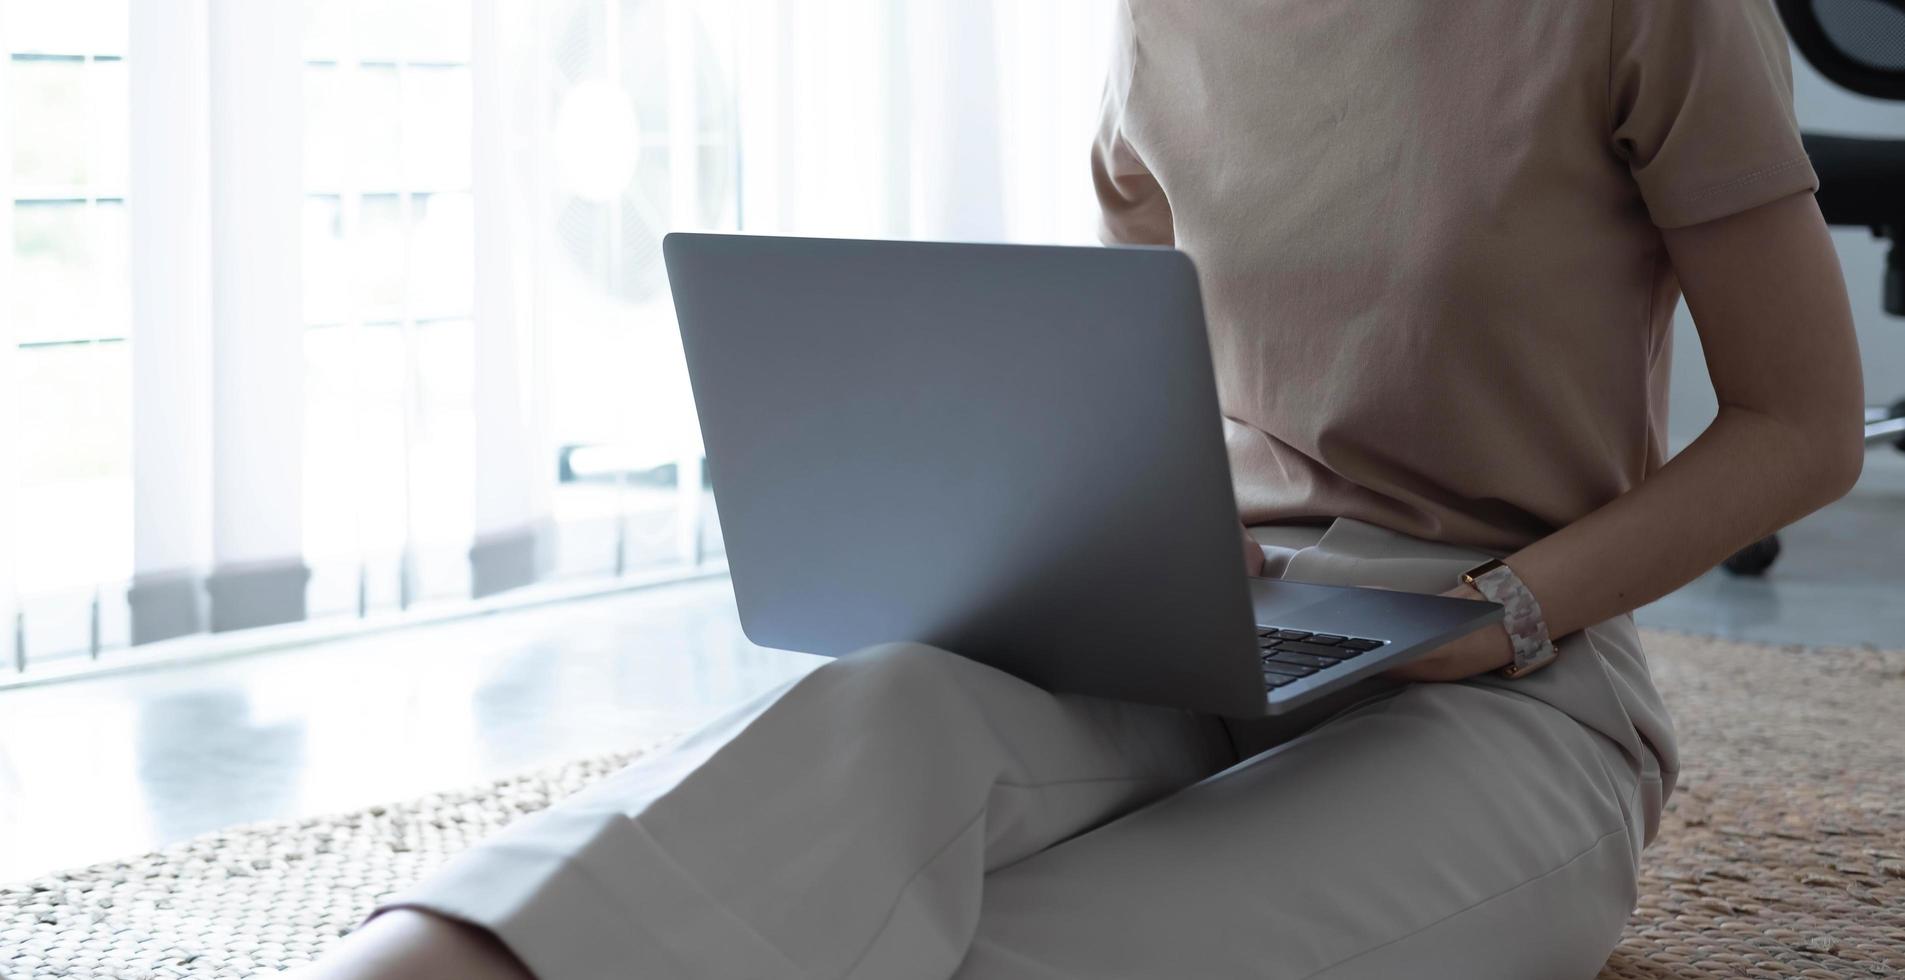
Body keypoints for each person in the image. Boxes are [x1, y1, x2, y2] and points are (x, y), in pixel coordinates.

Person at [298, 2, 1864, 978]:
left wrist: (1495, 611)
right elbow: (1144, 385)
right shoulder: (1159, 18)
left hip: (1514, 681)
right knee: (872, 723)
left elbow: (1803, 426)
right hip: (1212, 617)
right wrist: (1085, 548)